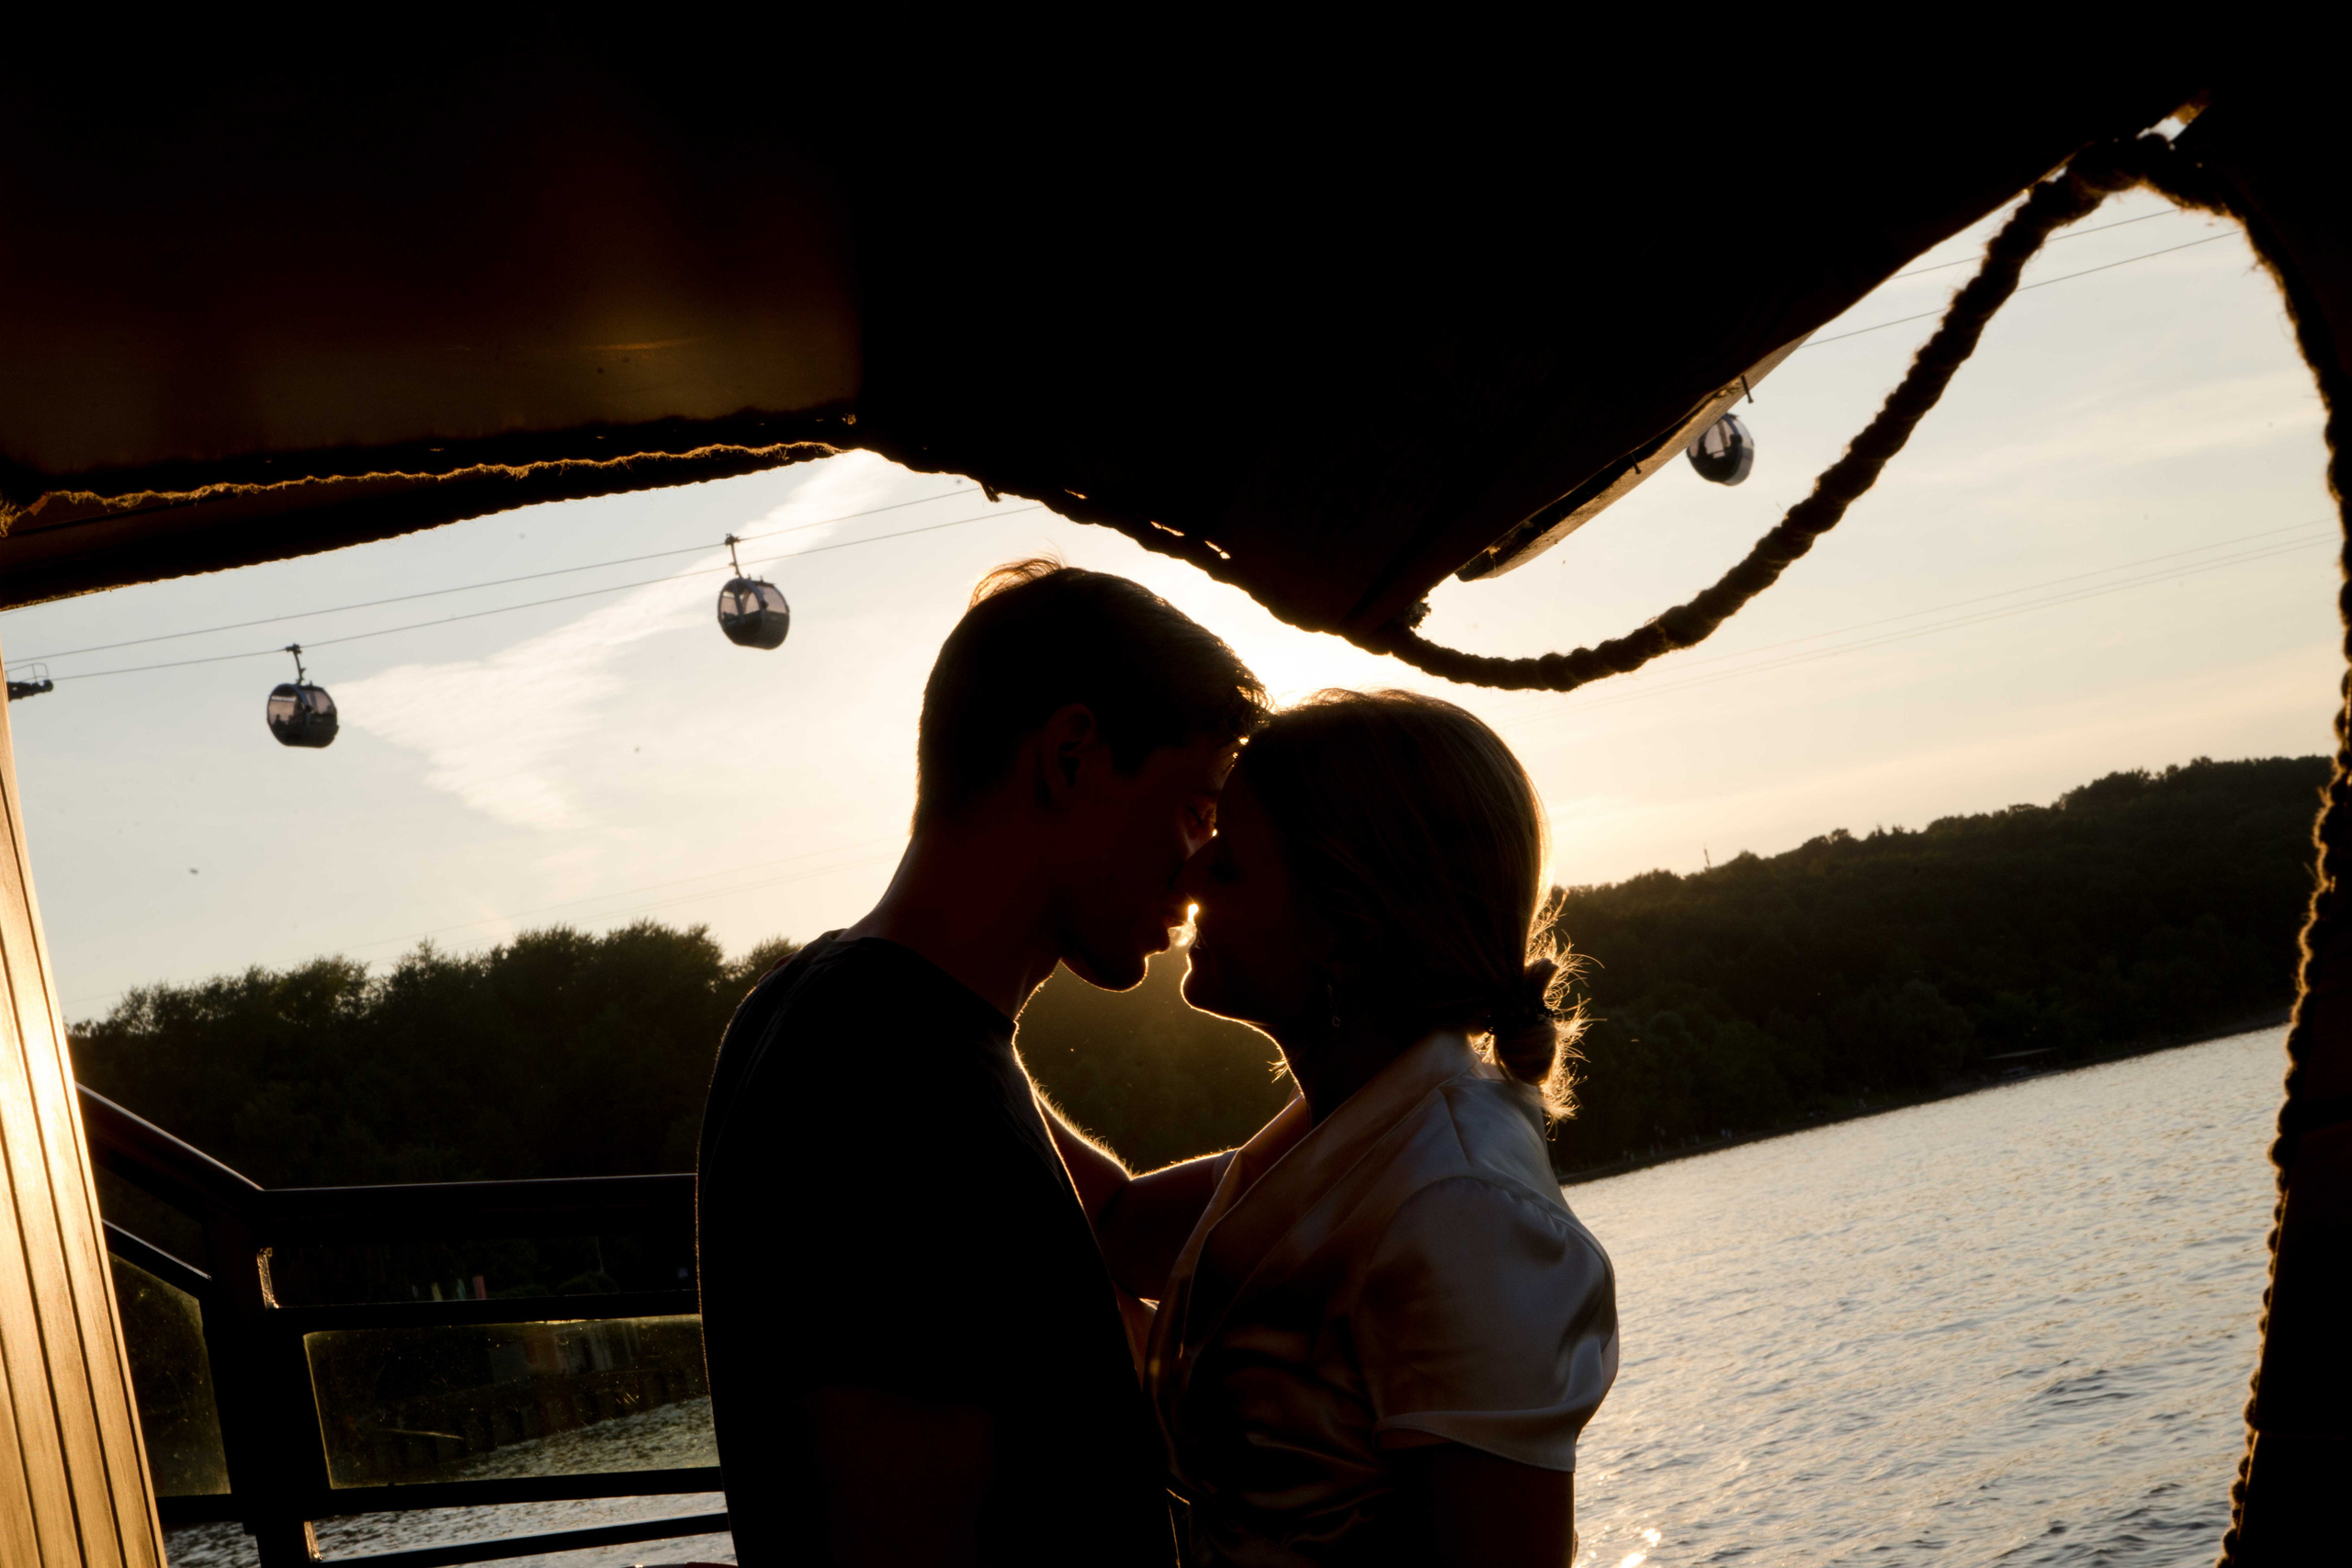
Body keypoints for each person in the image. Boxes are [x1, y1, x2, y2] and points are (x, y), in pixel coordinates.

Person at [696, 558, 1267, 1567]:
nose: (1197, 872)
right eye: (1193, 808)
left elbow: (1116, 1226)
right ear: (1072, 757)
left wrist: (1391, 1109)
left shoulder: (861, 1017)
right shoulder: (880, 1076)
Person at [1057, 689, 1619, 1567]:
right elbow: (1114, 1229)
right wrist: (952, 1007)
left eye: (1230, 860)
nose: (1188, 875)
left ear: (1342, 927)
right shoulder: (1347, 1132)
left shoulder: (1460, 1210)